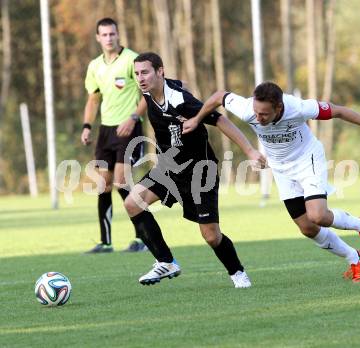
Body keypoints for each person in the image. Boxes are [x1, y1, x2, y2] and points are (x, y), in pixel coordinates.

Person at [183, 81, 360, 282]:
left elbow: (338, 111)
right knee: (308, 228)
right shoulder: (246, 108)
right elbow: (218, 96)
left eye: (264, 114)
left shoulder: (298, 108)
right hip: (281, 168)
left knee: (318, 215)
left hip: (308, 159)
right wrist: (196, 118)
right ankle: (354, 258)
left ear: (279, 108)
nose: (257, 118)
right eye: (256, 112)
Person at [123, 52, 266, 288]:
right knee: (132, 203)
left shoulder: (181, 101)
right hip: (169, 167)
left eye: (145, 72)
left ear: (160, 71)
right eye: (137, 73)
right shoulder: (148, 91)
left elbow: (220, 121)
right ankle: (166, 261)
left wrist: (250, 151)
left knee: (211, 235)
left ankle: (237, 273)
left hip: (201, 171)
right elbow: (178, 84)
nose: (140, 78)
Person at [81, 18, 148, 253]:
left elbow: (146, 94)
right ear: (98, 38)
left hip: (129, 128)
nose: (109, 38)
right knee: (103, 185)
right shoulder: (94, 66)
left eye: (112, 34)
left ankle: (143, 238)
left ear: (118, 35)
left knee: (121, 182)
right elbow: (93, 99)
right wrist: (87, 125)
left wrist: (133, 118)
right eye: (104, 35)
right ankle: (106, 242)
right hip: (106, 130)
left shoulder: (132, 59)